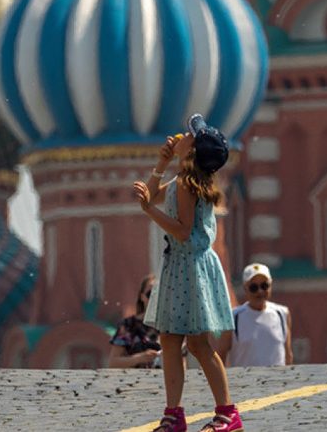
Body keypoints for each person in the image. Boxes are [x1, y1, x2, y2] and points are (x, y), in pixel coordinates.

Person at [133, 114, 242, 432]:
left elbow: (181, 230)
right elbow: (152, 193)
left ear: (192, 150)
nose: (182, 135)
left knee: (197, 344)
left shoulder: (185, 184)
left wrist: (149, 211)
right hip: (182, 266)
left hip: (189, 267)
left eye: (190, 136)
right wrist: (161, 163)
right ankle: (173, 414)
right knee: (170, 340)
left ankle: (227, 413)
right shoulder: (184, 178)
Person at [218, 263, 292, 367]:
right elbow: (221, 356)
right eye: (254, 287)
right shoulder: (233, 318)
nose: (260, 291)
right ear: (245, 288)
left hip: (278, 377)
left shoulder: (282, 313)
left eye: (264, 286)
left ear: (270, 285)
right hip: (244, 377)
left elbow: (288, 355)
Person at [108, 274, 162, 368]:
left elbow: (182, 363)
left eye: (158, 294)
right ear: (142, 297)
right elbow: (113, 363)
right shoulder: (128, 325)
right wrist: (140, 358)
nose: (154, 299)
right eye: (150, 294)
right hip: (134, 376)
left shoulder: (170, 327)